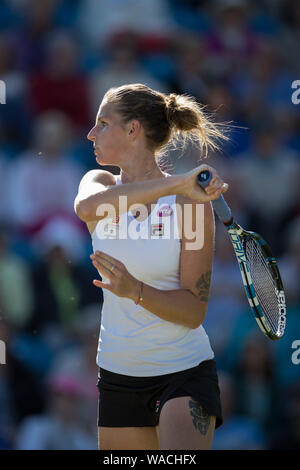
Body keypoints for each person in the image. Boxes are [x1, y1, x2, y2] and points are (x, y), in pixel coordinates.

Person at [74, 83, 229, 450]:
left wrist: (136, 292)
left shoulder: (190, 206)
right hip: (117, 374)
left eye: (103, 123)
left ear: (133, 130)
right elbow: (86, 209)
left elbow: (193, 311)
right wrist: (180, 182)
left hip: (183, 374)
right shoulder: (97, 183)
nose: (91, 133)